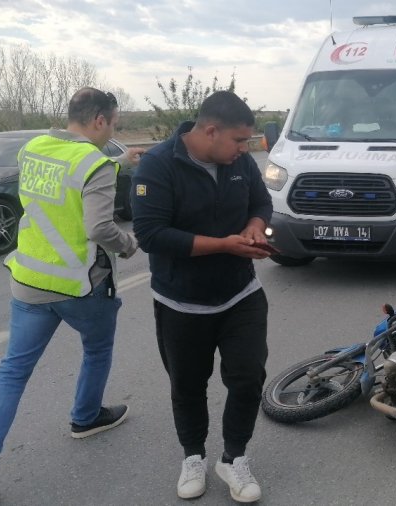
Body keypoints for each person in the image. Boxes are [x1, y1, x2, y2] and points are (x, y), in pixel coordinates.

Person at [0, 87, 141, 504]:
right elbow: (99, 227)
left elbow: (70, 172)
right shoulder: (94, 165)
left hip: (28, 280)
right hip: (80, 286)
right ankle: (85, 417)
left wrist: (119, 162)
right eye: (113, 123)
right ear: (100, 120)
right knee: (97, 349)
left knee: (11, 370)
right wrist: (128, 244)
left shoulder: (34, 148)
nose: (112, 130)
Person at [131, 91, 272, 503]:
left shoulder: (240, 163)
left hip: (241, 293)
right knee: (188, 385)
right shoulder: (158, 166)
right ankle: (193, 456)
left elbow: (262, 201)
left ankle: (234, 458)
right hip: (181, 302)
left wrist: (255, 225)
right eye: (239, 140)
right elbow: (151, 235)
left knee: (248, 378)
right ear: (210, 131)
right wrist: (225, 244)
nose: (245, 150)